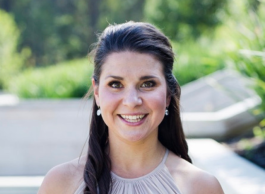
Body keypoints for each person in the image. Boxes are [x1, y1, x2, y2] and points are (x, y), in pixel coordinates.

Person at [38, 21, 224, 194]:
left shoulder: (201, 186)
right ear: (97, 92)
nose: (132, 101)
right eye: (116, 84)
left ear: (168, 94)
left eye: (148, 84)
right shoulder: (60, 184)